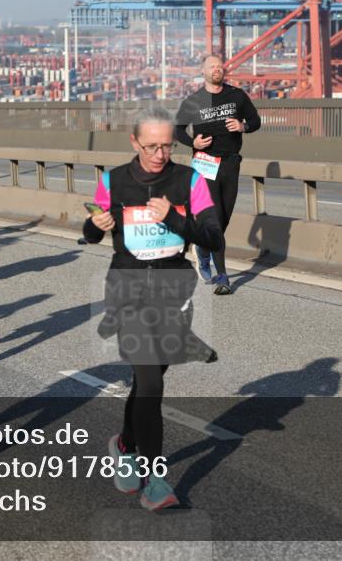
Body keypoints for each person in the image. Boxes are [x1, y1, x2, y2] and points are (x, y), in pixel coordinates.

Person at [83, 107, 221, 511]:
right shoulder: (113, 181)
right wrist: (96, 226)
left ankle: (125, 444)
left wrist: (175, 220)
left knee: (148, 381)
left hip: (174, 290)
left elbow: (213, 237)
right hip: (128, 289)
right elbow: (90, 233)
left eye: (166, 146)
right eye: (151, 147)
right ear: (134, 142)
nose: (160, 154)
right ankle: (156, 480)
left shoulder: (189, 180)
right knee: (151, 383)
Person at [175, 54, 261, 295]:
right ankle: (223, 277)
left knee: (223, 220)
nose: (217, 69)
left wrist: (243, 126)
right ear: (202, 72)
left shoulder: (237, 96)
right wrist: (194, 142)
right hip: (205, 164)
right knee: (214, 219)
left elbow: (255, 121)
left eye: (220, 66)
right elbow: (178, 130)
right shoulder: (194, 101)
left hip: (230, 164)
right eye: (211, 66)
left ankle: (203, 248)